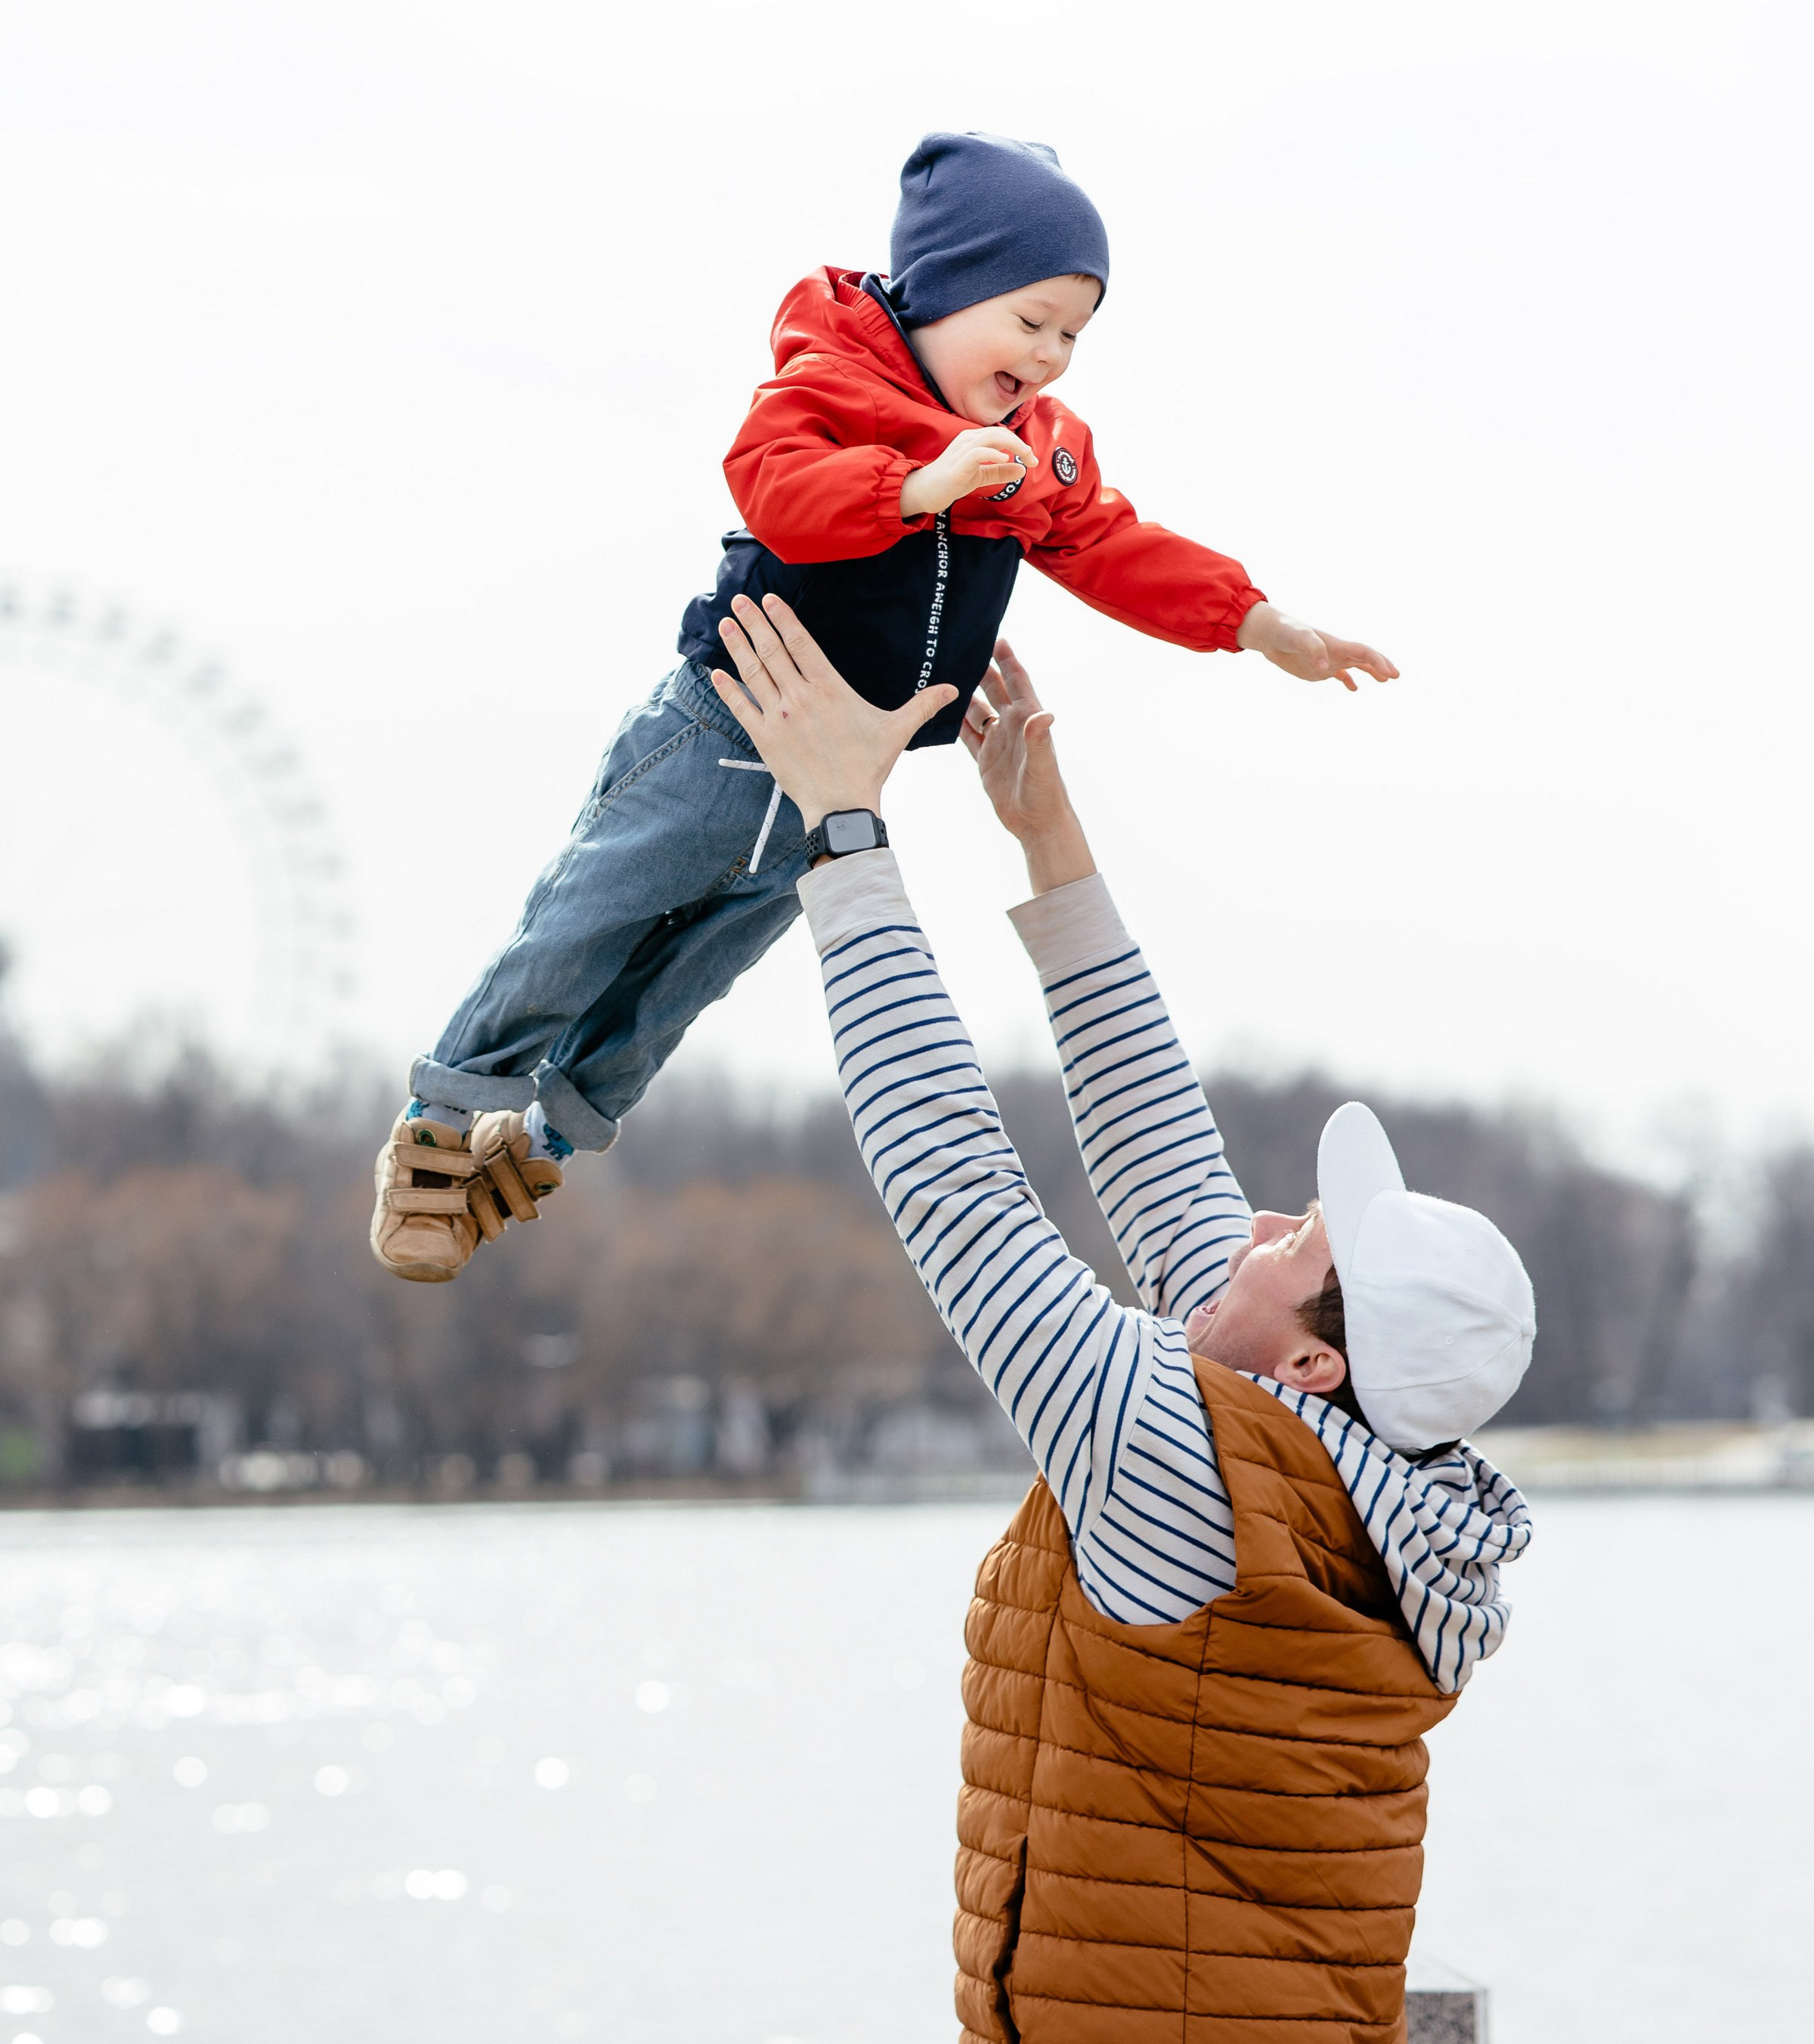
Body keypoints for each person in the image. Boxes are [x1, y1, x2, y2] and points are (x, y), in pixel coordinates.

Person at [705, 592, 1535, 2044]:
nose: (1273, 1218)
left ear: (1311, 1367)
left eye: (1304, 1244)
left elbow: (957, 1187)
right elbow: (1171, 1188)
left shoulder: (1190, 1469)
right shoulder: (1365, 1503)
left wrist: (846, 835)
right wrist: (1051, 847)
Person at [372, 131, 1398, 1283]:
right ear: (945, 292)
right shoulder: (835, 386)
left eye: (1075, 335)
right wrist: (917, 486)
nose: (1053, 356)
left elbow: (1112, 543)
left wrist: (1255, 623)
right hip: (720, 734)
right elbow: (776, 487)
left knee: (683, 980)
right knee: (586, 926)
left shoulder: (1033, 456)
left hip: (838, 786)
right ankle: (446, 1123)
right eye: (1032, 320)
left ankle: (545, 1136)